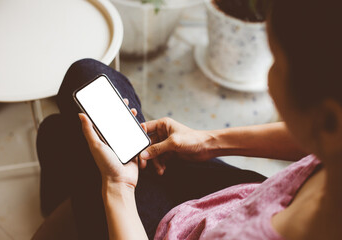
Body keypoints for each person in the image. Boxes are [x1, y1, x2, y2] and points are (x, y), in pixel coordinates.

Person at [33, 0, 342, 239]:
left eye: (276, 61)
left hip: (169, 230)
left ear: (327, 120)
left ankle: (68, 194)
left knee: (60, 130)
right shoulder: (334, 135)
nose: (269, 78)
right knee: (85, 80)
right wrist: (208, 141)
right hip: (236, 201)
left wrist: (118, 186)